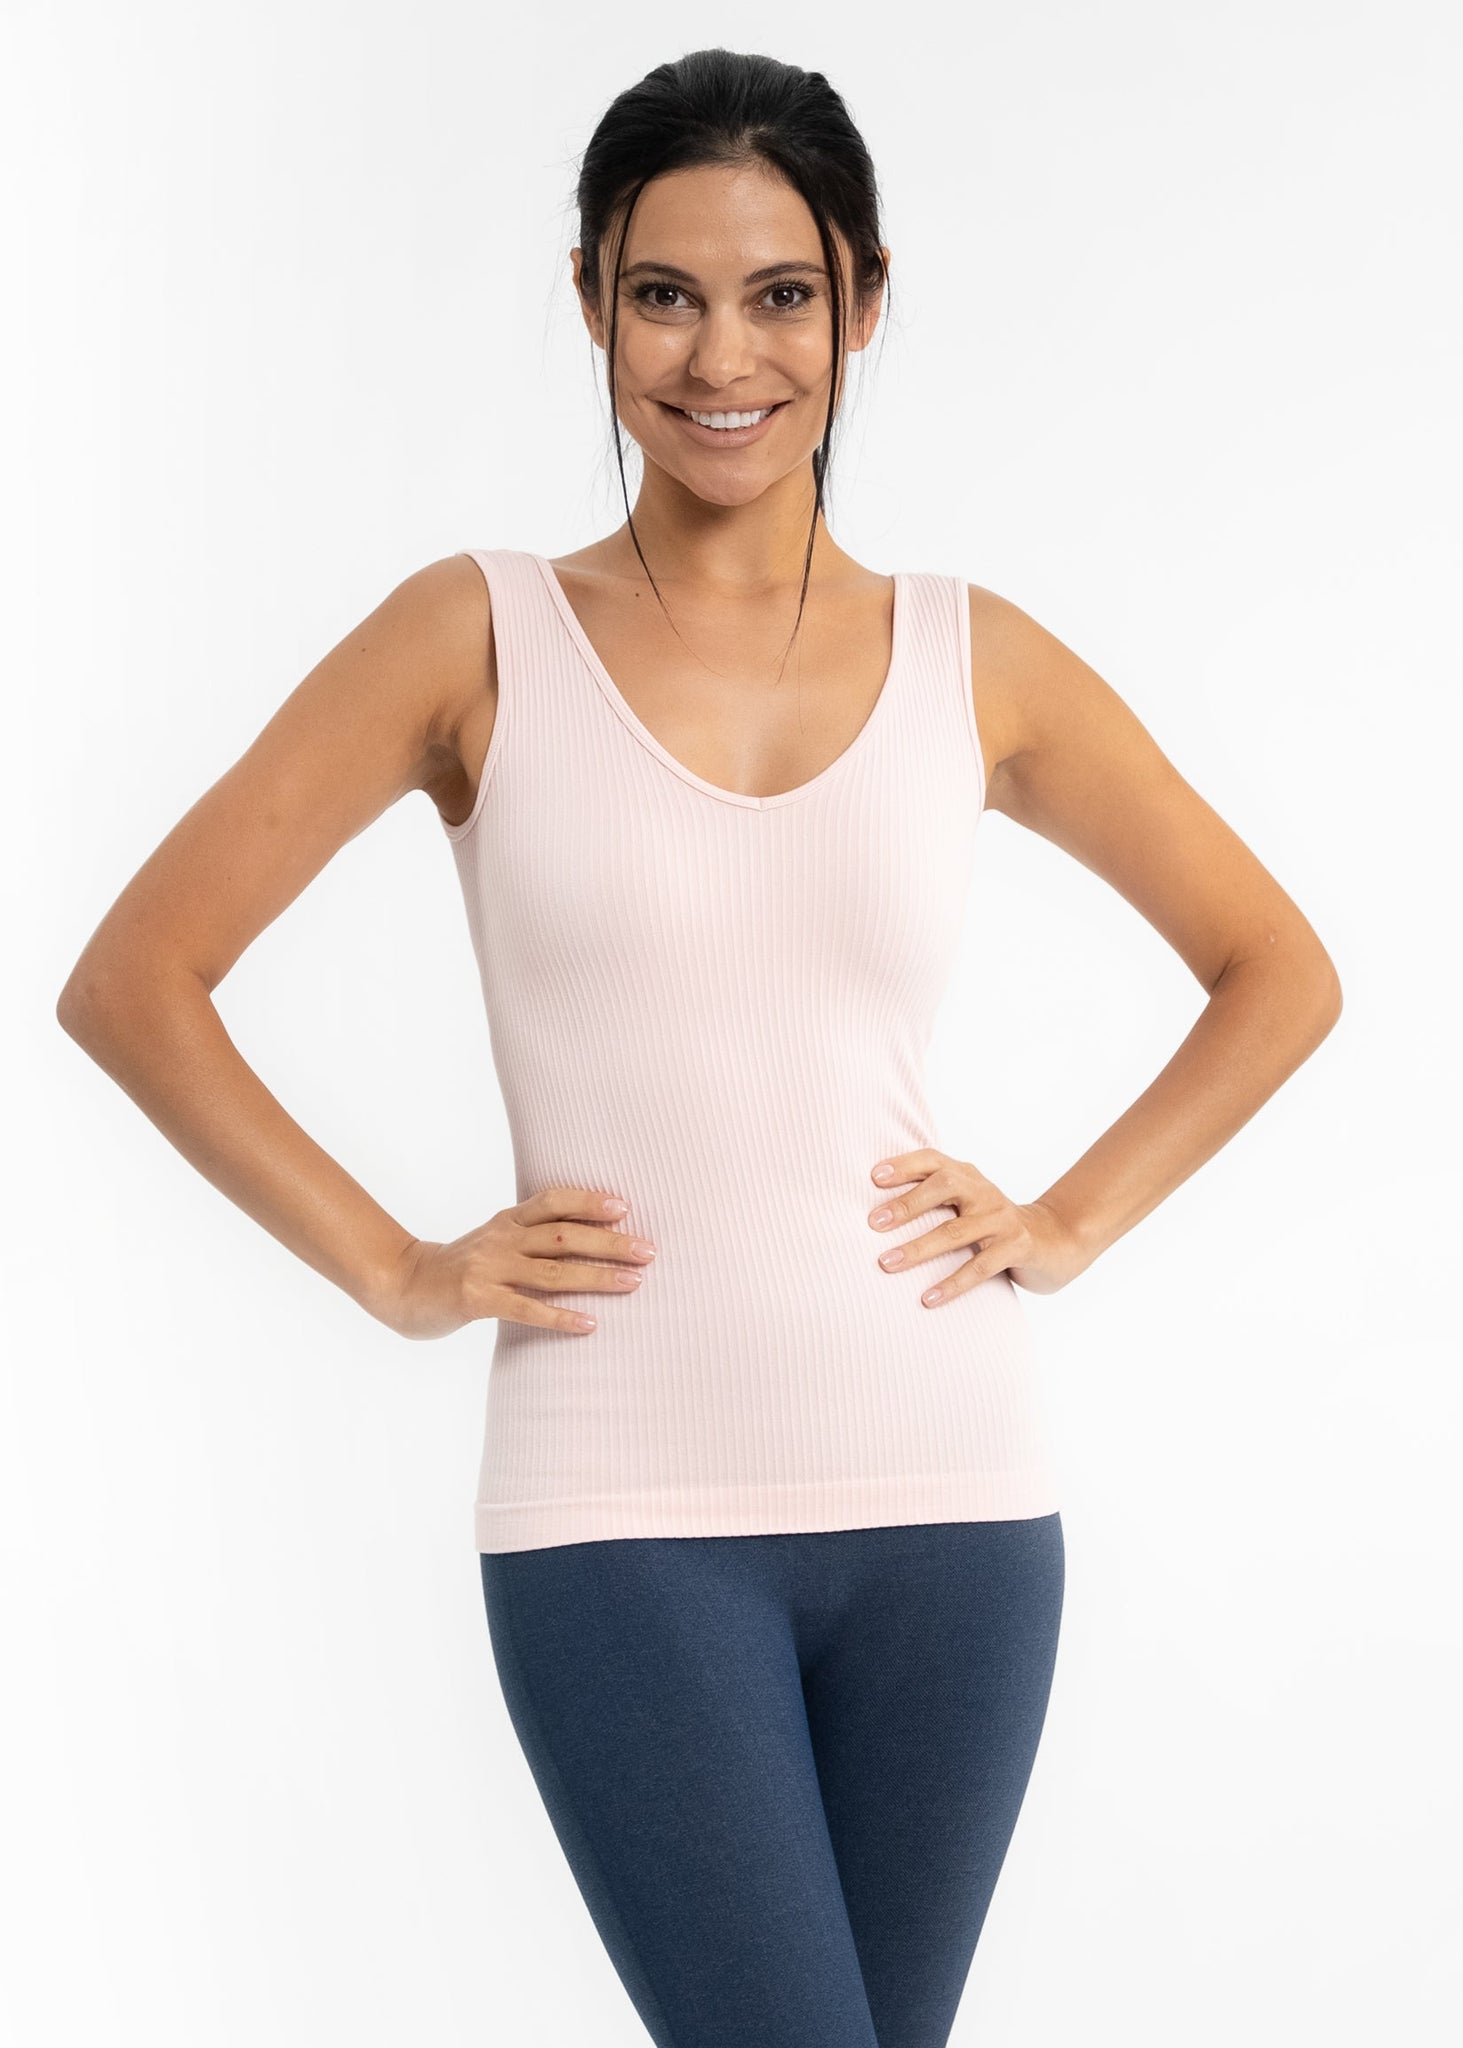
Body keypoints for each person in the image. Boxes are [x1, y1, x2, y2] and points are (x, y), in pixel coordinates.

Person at [56, 46, 1342, 2048]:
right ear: (589, 298)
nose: (721, 355)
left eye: (780, 294)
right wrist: (399, 1267)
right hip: (618, 1513)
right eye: (664, 292)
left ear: (865, 303)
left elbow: (1277, 966)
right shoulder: (475, 633)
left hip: (955, 1503)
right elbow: (136, 977)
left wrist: (1070, 1219)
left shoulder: (973, 654)